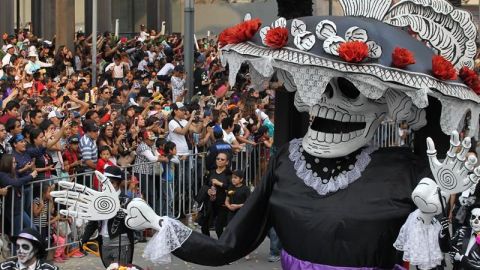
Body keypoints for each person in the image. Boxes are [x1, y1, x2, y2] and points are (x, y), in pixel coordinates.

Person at [200, 152, 231, 238]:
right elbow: (205, 185)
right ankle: (209, 244)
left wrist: (220, 184)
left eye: (222, 159)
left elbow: (232, 189)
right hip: (211, 202)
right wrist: (208, 190)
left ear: (227, 162)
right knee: (204, 226)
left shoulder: (229, 174)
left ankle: (222, 247)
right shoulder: (212, 171)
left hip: (222, 204)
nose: (219, 161)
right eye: (218, 159)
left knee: (218, 228)